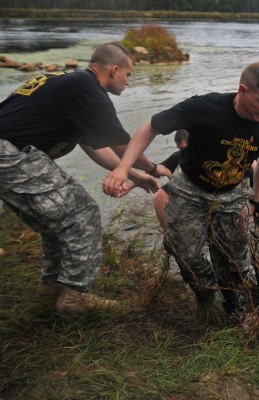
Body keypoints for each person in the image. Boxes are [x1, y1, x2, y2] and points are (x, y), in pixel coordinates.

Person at [103, 61, 259, 325]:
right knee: (189, 258)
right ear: (242, 90)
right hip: (190, 188)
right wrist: (123, 168)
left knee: (236, 262)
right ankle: (204, 297)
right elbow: (151, 126)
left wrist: (257, 197)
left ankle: (237, 316)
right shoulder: (205, 108)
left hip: (232, 193)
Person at [0, 43, 167, 316]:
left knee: (53, 220)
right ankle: (75, 298)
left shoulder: (72, 85)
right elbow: (124, 147)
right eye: (129, 74)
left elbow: (93, 146)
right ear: (114, 70)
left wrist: (135, 173)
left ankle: (51, 285)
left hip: (9, 155)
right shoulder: (89, 90)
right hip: (11, 155)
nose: (128, 81)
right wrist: (154, 166)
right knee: (84, 214)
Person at [153, 129, 189, 229]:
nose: (184, 152)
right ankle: (169, 233)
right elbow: (154, 170)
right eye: (180, 149)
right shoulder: (178, 157)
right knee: (158, 197)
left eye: (185, 148)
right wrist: (130, 184)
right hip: (182, 195)